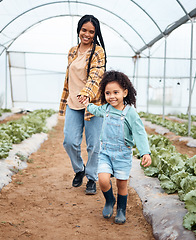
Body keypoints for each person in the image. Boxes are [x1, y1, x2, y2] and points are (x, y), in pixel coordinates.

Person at [79, 70, 151, 224]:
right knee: (103, 180)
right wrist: (87, 104)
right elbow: (95, 110)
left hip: (123, 154)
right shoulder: (105, 109)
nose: (111, 96)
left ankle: (121, 209)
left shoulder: (130, 113)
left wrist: (145, 152)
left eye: (116, 92)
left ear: (125, 92)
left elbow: (139, 133)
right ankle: (110, 201)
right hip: (105, 152)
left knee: (121, 183)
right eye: (107, 93)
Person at [59, 15, 106, 195]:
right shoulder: (72, 51)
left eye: (91, 32)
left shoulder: (98, 52)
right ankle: (80, 170)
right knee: (70, 141)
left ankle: (92, 178)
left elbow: (96, 75)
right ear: (79, 30)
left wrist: (86, 94)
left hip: (92, 104)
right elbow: (70, 77)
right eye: (84, 30)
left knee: (94, 145)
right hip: (73, 102)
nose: (86, 34)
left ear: (95, 34)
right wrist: (74, 95)